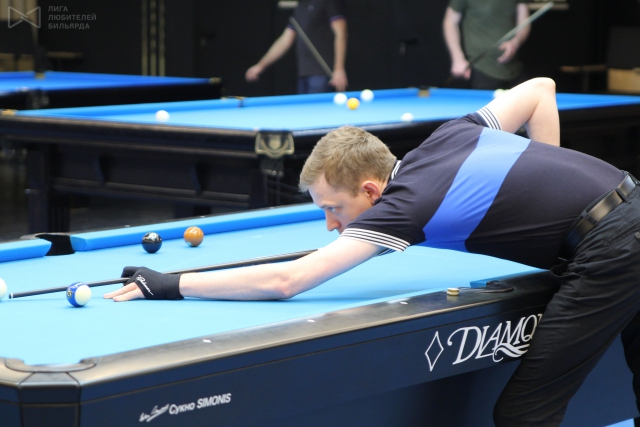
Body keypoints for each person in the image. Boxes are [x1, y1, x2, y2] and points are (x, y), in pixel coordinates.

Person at [105, 77, 640, 427]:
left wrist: (169, 283)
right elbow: (541, 90)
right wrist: (549, 183)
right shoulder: (448, 136)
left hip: (615, 248)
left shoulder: (403, 206)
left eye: (333, 208)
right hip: (630, 209)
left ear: (369, 190)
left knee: (524, 414)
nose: (330, 224)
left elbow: (287, 282)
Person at [245, 0, 348, 94]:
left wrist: (339, 69)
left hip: (321, 74)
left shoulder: (327, 2)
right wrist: (260, 65)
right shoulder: (300, 6)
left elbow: (341, 33)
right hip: (303, 75)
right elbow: (284, 41)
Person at [443, 0, 530, 89]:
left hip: (513, 67)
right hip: (481, 68)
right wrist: (457, 58)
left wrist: (516, 42)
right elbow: (450, 22)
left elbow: (524, 20)